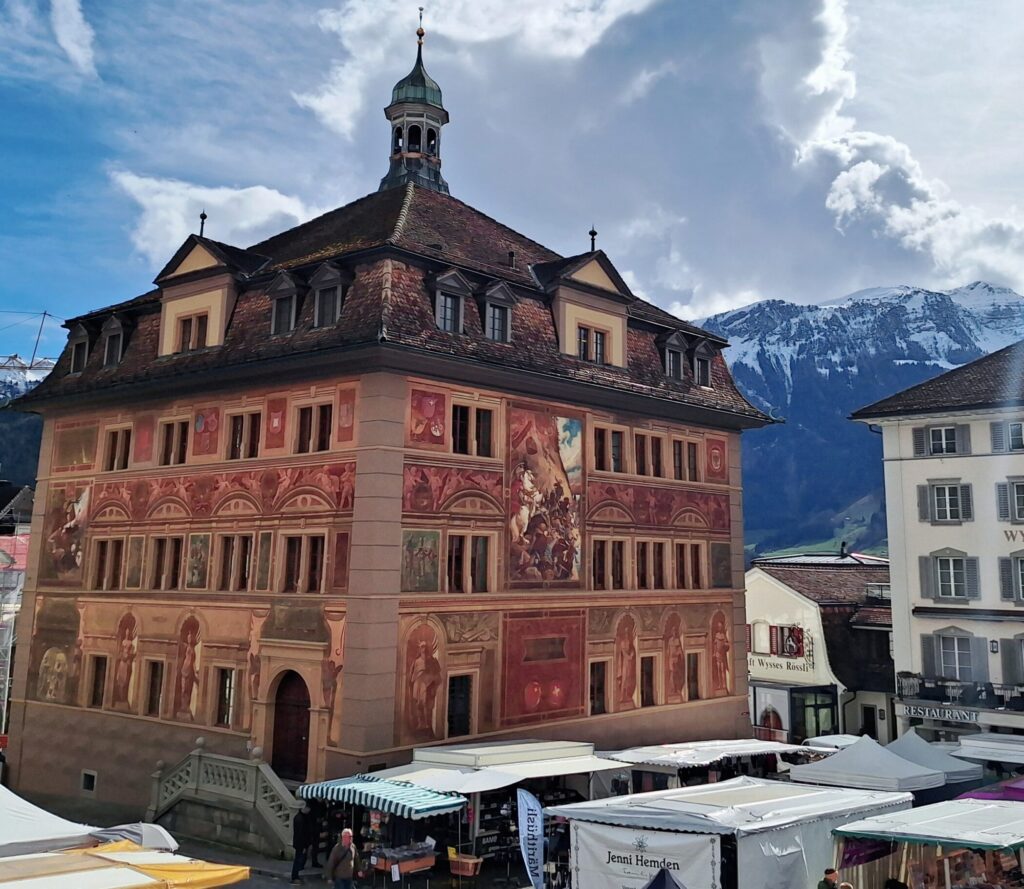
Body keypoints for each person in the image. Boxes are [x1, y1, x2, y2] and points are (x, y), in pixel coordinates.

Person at [291, 803, 314, 885]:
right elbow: (300, 834)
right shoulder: (299, 819)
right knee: (298, 860)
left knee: (299, 860)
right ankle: (294, 877)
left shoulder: (303, 817)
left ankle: (296, 876)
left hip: (302, 843)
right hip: (300, 844)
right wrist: (303, 846)